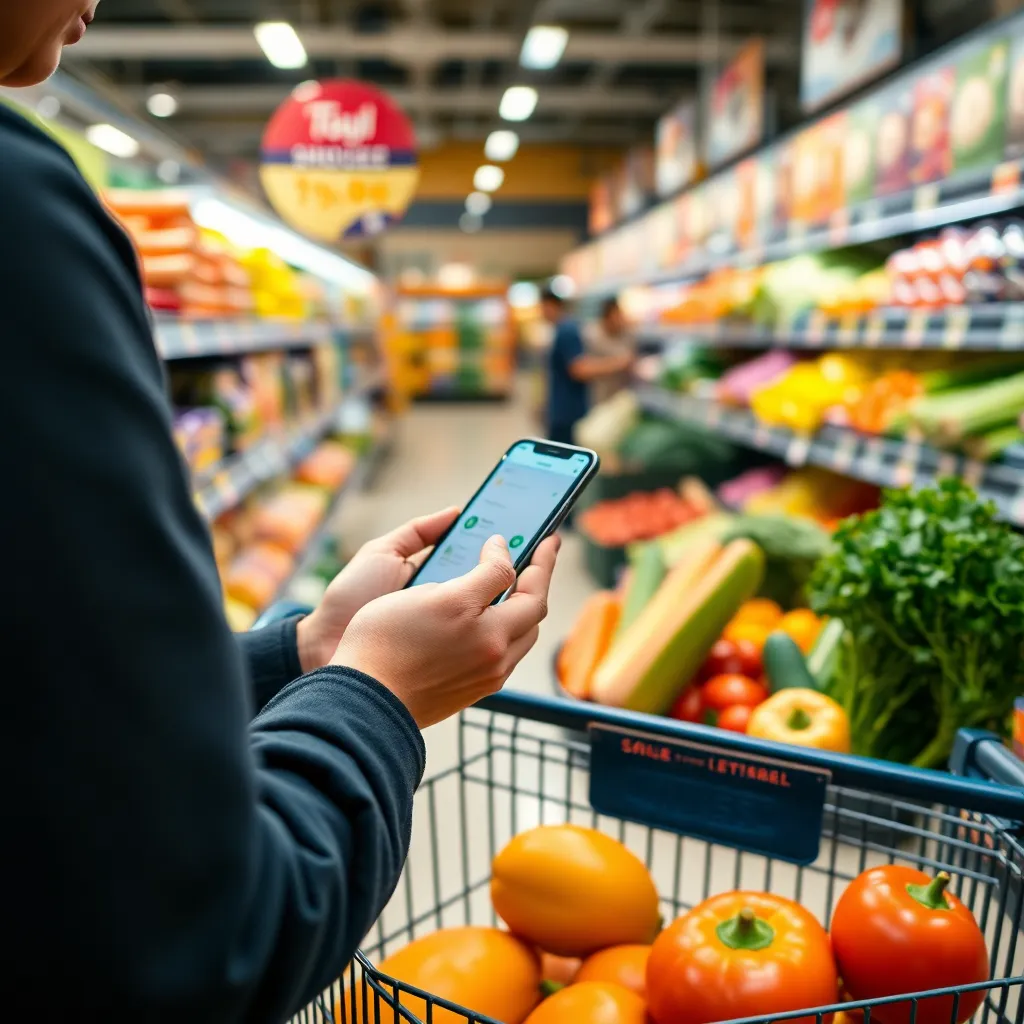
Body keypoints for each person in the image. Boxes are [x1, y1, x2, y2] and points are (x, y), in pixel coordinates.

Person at [0, 4, 558, 1021]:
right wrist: (378, 691)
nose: (92, 12)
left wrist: (306, 650)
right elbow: (204, 933)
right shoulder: (19, 211)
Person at [540, 287, 634, 445]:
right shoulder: (566, 329)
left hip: (567, 411)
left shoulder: (566, 330)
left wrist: (619, 363)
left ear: (551, 305)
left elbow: (579, 369)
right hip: (565, 408)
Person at [582, 296, 636, 406]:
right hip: (599, 395)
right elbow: (585, 368)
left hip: (621, 393)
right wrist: (618, 363)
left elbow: (632, 356)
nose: (619, 320)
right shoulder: (592, 335)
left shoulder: (627, 334)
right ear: (606, 318)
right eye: (615, 316)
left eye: (620, 315)